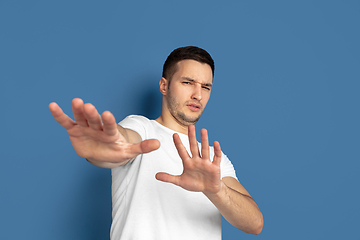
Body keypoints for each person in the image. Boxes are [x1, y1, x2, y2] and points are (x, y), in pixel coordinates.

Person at [49, 46, 263, 239]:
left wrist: (216, 191)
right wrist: (105, 148)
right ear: (164, 85)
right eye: (188, 82)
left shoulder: (212, 158)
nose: (197, 94)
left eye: (206, 87)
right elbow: (123, 140)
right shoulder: (142, 128)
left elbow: (255, 224)